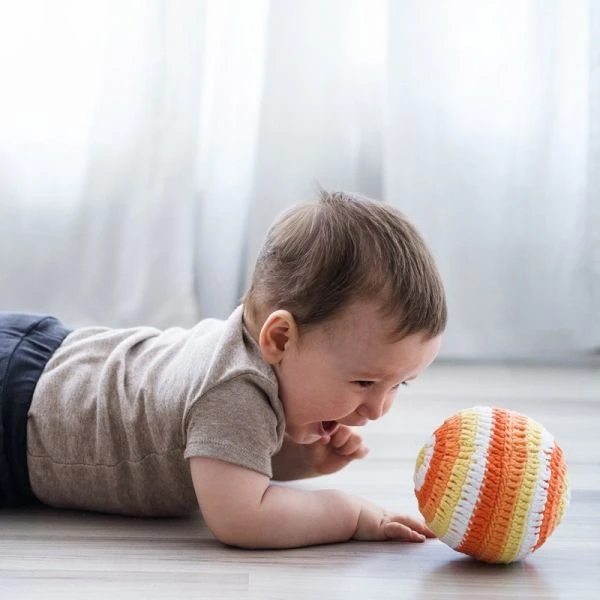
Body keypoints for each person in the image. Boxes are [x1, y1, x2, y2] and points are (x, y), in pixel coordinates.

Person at [0, 190, 446, 549]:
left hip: (48, 357)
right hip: (14, 418)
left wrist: (290, 460)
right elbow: (242, 518)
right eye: (364, 382)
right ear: (281, 339)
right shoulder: (234, 390)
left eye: (399, 385)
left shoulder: (244, 351)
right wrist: (351, 515)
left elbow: (217, 455)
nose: (378, 409)